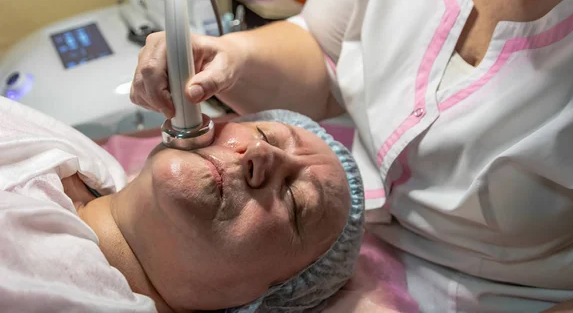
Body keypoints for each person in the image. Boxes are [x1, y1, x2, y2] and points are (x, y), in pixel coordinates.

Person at [131, 0, 573, 311]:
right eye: (272, 136)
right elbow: (322, 49)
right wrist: (234, 59)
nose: (253, 152)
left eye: (296, 202)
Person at [0, 96, 364, 312]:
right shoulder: (86, 161)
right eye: (267, 135)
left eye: (297, 202)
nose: (261, 152)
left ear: (267, 295)